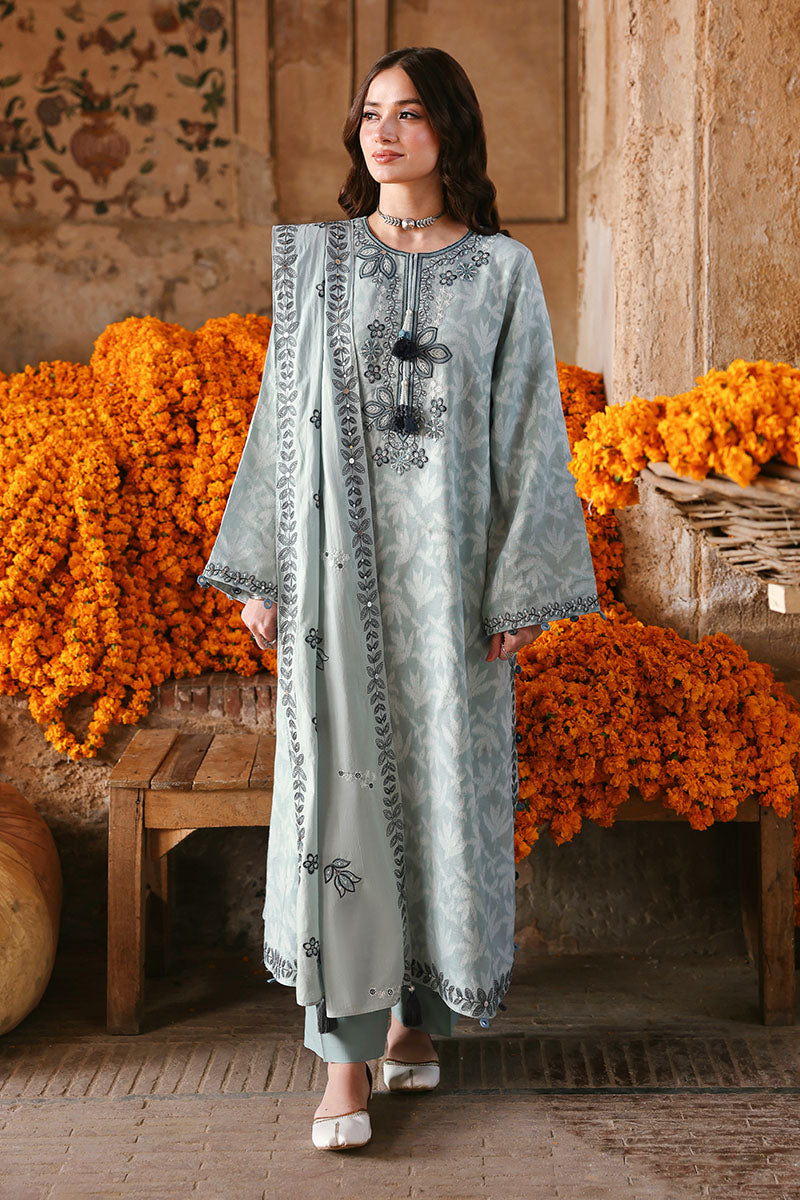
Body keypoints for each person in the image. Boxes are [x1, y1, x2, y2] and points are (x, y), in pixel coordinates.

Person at [197, 45, 601, 1150]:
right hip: (334, 581)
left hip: (452, 590)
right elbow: (279, 414)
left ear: (448, 131)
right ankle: (342, 1062)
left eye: (410, 113)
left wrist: (519, 586)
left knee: (438, 795)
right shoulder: (322, 263)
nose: (384, 132)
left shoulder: (502, 272)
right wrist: (266, 568)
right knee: (337, 800)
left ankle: (414, 1018)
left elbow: (531, 435)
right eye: (371, 113)